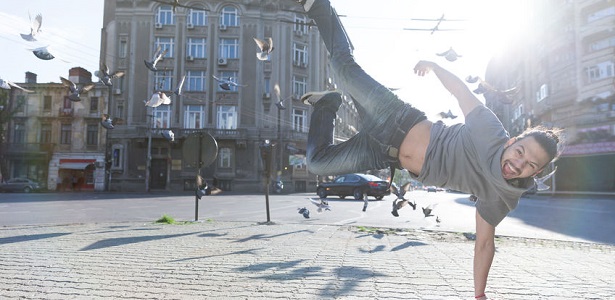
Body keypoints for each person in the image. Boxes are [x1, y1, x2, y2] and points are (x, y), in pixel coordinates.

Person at [295, 0, 562, 299]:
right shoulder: (491, 131)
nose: (518, 164)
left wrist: (479, 294)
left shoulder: (501, 196)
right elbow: (462, 92)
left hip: (381, 152)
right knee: (342, 68)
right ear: (514, 142)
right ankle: (320, 7)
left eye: (529, 165)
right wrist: (435, 66)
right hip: (393, 117)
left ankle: (328, 105)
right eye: (520, 152)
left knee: (317, 163)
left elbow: (485, 243)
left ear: (535, 173)